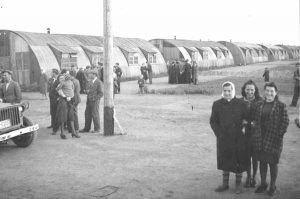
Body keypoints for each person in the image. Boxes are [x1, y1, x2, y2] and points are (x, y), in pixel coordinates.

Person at [210, 81, 248, 194]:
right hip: (223, 138)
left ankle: (238, 185)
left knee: (238, 161)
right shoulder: (217, 104)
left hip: (238, 138)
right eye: (225, 91)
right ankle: (225, 184)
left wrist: (244, 128)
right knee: (225, 160)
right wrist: (219, 134)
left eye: (229, 91)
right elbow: (213, 122)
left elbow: (246, 119)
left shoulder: (241, 104)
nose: (227, 93)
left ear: (233, 91)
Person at [252, 82, 289, 196]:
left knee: (273, 164)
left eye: (272, 91)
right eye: (267, 90)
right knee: (262, 162)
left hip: (274, 139)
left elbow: (285, 122)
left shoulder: (281, 106)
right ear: (264, 92)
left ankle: (272, 186)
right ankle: (263, 184)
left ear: (276, 92)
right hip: (260, 138)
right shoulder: (259, 104)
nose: (269, 93)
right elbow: (255, 120)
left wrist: (278, 136)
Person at [240, 80, 263, 188]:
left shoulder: (260, 101)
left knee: (255, 157)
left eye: (252, 89)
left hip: (256, 134)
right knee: (246, 156)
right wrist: (241, 122)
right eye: (247, 89)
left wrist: (257, 122)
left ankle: (254, 177)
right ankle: (248, 177)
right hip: (244, 135)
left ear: (255, 90)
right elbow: (236, 116)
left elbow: (264, 118)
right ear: (244, 90)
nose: (249, 92)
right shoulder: (239, 102)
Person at [52, 74, 79, 139]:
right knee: (63, 117)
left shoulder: (71, 82)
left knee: (71, 116)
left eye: (64, 77)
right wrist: (63, 95)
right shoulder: (62, 83)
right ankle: (62, 133)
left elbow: (72, 89)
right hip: (63, 101)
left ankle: (73, 133)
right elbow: (57, 89)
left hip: (70, 101)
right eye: (61, 78)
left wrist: (70, 96)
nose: (67, 78)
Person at [79, 69, 104, 133]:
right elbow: (88, 89)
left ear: (94, 75)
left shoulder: (99, 82)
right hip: (89, 100)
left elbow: (101, 93)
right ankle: (86, 128)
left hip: (95, 101)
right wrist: (87, 91)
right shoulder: (90, 81)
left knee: (95, 114)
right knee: (87, 114)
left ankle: (97, 129)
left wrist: (96, 98)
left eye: (90, 74)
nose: (89, 75)